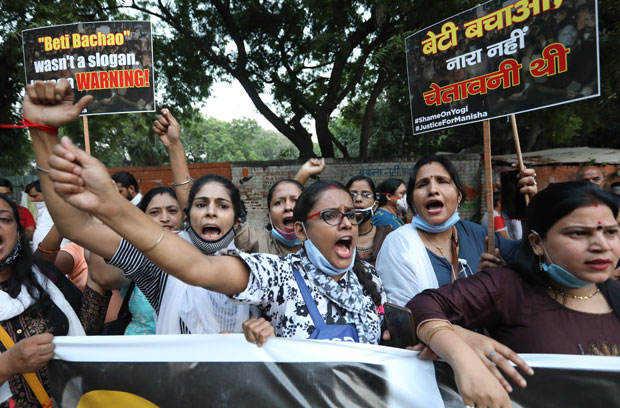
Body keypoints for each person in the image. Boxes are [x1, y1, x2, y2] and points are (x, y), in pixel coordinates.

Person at [24, 81, 249, 335]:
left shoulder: (263, 271)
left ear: (238, 220)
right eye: (200, 204)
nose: (210, 212)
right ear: (189, 216)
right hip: (178, 375)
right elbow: (77, 226)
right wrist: (43, 134)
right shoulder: (160, 267)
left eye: (222, 205)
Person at [408, 181, 620, 407]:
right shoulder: (508, 286)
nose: (601, 245)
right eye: (578, 233)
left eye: (610, 232)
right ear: (537, 243)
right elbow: (418, 308)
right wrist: (460, 349)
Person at [152, 109, 326, 257]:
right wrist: (175, 146)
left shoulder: (325, 245)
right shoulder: (255, 241)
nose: (289, 207)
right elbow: (190, 206)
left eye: (295, 201)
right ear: (268, 217)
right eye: (278, 203)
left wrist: (302, 175)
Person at [376, 155, 536, 307]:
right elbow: (409, 317)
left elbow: (535, 258)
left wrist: (531, 206)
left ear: (459, 195)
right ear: (412, 200)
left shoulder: (480, 235)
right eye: (422, 184)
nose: (433, 190)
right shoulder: (398, 244)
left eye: (442, 181)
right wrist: (479, 286)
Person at [0, 193, 85, 408]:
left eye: (4, 219)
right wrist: (7, 365)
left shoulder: (47, 278)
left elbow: (89, 326)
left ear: (19, 233)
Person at [345, 175, 392, 265]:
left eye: (366, 195)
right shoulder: (336, 236)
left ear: (375, 206)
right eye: (352, 194)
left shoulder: (387, 235)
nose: (358, 199)